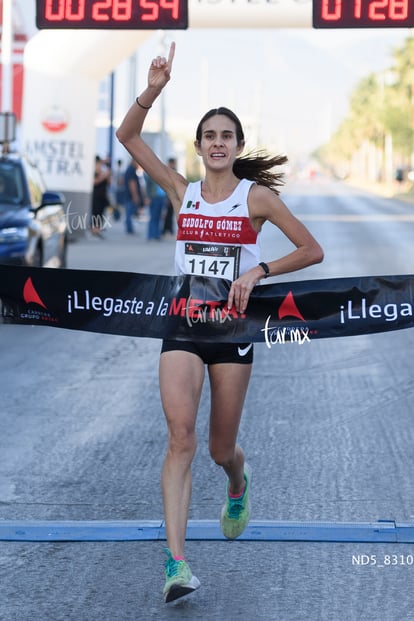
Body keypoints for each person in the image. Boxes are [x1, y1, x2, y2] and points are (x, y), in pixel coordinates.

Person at [116, 42, 323, 604]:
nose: (216, 143)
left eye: (225, 136)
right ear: (199, 146)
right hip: (182, 325)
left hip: (232, 331)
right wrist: (154, 88)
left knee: (216, 448)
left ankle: (238, 479)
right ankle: (176, 565)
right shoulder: (181, 193)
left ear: (237, 146)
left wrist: (259, 269)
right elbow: (128, 138)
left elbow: (311, 250)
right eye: (208, 135)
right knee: (179, 436)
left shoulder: (256, 198)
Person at [91, 155, 110, 237]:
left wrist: (107, 176)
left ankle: (98, 228)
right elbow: (94, 182)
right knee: (96, 212)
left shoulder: (104, 170)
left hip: (103, 195)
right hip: (96, 194)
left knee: (101, 212)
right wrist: (104, 176)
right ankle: (94, 229)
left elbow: (109, 183)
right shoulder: (94, 172)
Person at [124, 158, 145, 234]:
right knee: (129, 213)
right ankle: (129, 229)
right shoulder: (131, 170)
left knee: (129, 213)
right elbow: (132, 184)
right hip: (130, 196)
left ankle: (129, 228)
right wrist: (135, 196)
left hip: (129, 195)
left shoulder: (129, 170)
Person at [145, 173, 166, 240]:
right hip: (154, 197)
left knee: (159, 217)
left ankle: (157, 234)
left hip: (161, 197)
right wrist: (148, 197)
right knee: (153, 217)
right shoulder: (151, 175)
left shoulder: (163, 175)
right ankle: (151, 235)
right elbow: (148, 186)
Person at [162, 157, 177, 237]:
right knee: (167, 214)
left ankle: (169, 229)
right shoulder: (169, 172)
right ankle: (165, 230)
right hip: (168, 196)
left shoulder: (173, 172)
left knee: (170, 214)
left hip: (171, 196)